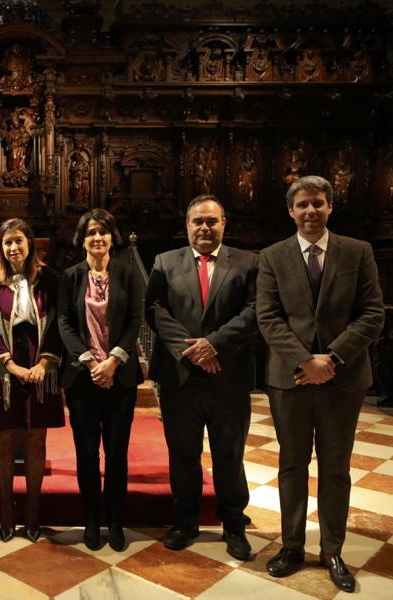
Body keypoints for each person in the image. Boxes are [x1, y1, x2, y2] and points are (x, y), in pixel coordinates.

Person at [257, 176, 384, 593]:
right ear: (290, 211)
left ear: (330, 207)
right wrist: (303, 361)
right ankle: (291, 547)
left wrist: (330, 358)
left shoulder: (357, 251)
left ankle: (333, 550)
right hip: (289, 379)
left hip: (342, 378)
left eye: (318, 204)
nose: (310, 211)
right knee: (292, 464)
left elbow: (372, 313)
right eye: (302, 205)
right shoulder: (273, 256)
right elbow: (268, 316)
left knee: (335, 468)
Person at [145, 195, 258, 561]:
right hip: (180, 377)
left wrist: (215, 345)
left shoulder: (247, 262)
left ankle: (234, 524)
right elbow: (155, 309)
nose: (205, 228)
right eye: (198, 222)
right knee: (183, 454)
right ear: (187, 225)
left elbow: (255, 310)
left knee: (229, 454)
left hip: (228, 376)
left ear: (224, 223)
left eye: (212, 221)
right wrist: (190, 350)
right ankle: (185, 521)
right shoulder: (165, 261)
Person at [57, 208, 143, 552]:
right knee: (87, 454)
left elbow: (136, 319)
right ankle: (92, 520)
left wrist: (113, 361)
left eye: (103, 232)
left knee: (118, 454)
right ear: (82, 239)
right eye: (91, 232)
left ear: (112, 237)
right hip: (82, 378)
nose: (97, 238)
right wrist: (90, 361)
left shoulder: (128, 273)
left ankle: (116, 521)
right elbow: (64, 322)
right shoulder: (71, 276)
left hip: (119, 377)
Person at [0, 218, 64, 543]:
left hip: (39, 364)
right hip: (2, 370)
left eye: (18, 241)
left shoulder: (50, 279)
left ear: (30, 245)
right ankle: (6, 511)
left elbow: (58, 322)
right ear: (0, 247)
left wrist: (44, 362)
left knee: (36, 441)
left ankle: (32, 511)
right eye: (7, 243)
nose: (13, 248)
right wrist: (10, 365)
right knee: (3, 441)